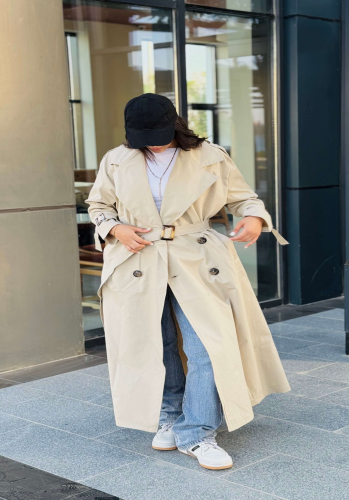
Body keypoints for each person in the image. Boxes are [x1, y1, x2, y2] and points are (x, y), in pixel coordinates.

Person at [86, 93, 290, 471]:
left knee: (207, 346)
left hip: (196, 258)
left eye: (161, 132)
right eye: (145, 135)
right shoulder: (116, 159)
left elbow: (244, 198)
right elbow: (98, 207)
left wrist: (255, 218)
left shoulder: (210, 155)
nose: (154, 141)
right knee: (154, 344)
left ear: (176, 123)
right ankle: (171, 414)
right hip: (138, 259)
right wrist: (115, 227)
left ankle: (198, 432)